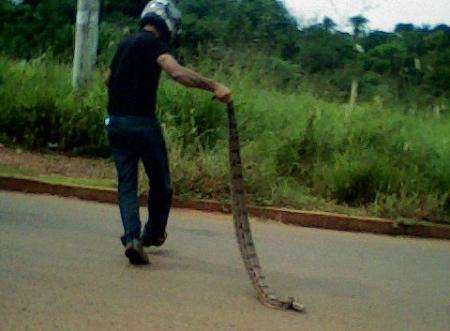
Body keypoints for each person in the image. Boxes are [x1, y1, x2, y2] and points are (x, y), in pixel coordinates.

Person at [104, 0, 231, 265]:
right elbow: (176, 72)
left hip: (116, 123)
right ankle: (152, 233)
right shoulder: (155, 45)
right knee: (161, 183)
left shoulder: (124, 43)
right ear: (167, 24)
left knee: (126, 185)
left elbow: (107, 79)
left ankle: (132, 239)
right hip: (142, 124)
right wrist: (214, 86)